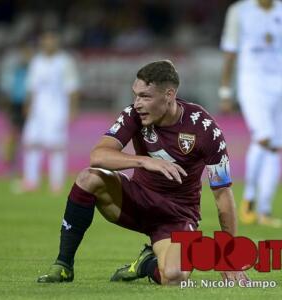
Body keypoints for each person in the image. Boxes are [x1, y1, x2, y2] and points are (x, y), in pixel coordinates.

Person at [37, 60, 249, 285]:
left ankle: (146, 263)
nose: (137, 103)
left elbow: (222, 193)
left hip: (177, 215)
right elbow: (98, 156)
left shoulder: (205, 129)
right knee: (88, 178)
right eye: (135, 95)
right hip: (136, 199)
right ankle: (64, 265)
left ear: (169, 94)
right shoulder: (133, 115)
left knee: (175, 276)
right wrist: (143, 161)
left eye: (145, 96)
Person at [219, 0, 282, 227]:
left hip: (280, 86)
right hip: (252, 85)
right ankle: (249, 200)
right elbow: (229, 53)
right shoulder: (239, 12)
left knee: (275, 145)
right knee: (263, 137)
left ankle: (264, 210)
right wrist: (225, 91)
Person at [19, 30, 80, 193]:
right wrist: (27, 104)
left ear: (57, 42)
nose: (48, 43)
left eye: (51, 40)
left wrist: (73, 109)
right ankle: (31, 181)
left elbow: (72, 88)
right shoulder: (36, 61)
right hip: (37, 110)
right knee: (31, 143)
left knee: (56, 146)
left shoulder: (65, 61)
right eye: (45, 40)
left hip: (57, 109)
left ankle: (56, 183)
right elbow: (31, 86)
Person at [0, 44, 33, 170]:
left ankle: (21, 165)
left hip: (28, 106)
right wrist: (7, 108)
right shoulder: (15, 70)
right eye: (26, 54)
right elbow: (6, 89)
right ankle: (9, 160)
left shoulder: (34, 70)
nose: (27, 57)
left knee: (27, 136)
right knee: (13, 134)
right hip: (16, 105)